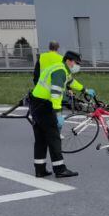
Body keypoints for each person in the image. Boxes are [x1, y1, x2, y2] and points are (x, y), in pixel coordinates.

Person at [29, 50, 87, 178]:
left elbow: (71, 82)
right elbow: (55, 94)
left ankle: (40, 169)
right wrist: (58, 114)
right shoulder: (60, 71)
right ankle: (60, 169)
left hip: (36, 103)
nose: (77, 66)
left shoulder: (59, 68)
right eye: (76, 63)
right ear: (69, 61)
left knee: (40, 139)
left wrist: (84, 89)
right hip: (45, 106)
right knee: (54, 137)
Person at [34, 40, 92, 104]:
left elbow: (36, 75)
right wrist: (69, 89)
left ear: (49, 47)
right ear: (58, 48)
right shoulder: (62, 58)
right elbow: (65, 77)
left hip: (42, 89)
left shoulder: (41, 57)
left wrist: (38, 87)